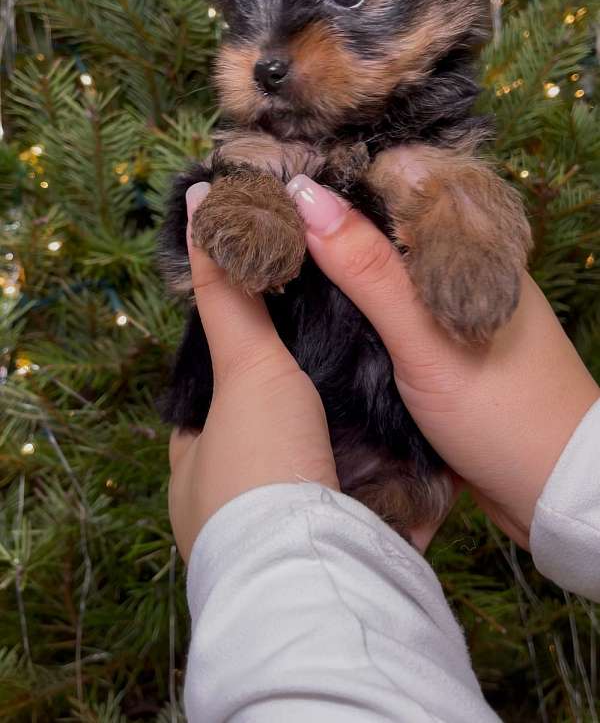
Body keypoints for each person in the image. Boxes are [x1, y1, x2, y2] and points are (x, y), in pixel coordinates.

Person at [169, 173, 600, 722]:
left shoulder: (436, 158)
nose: (270, 78)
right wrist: (578, 473)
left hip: (384, 469)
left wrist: (261, 531)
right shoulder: (254, 148)